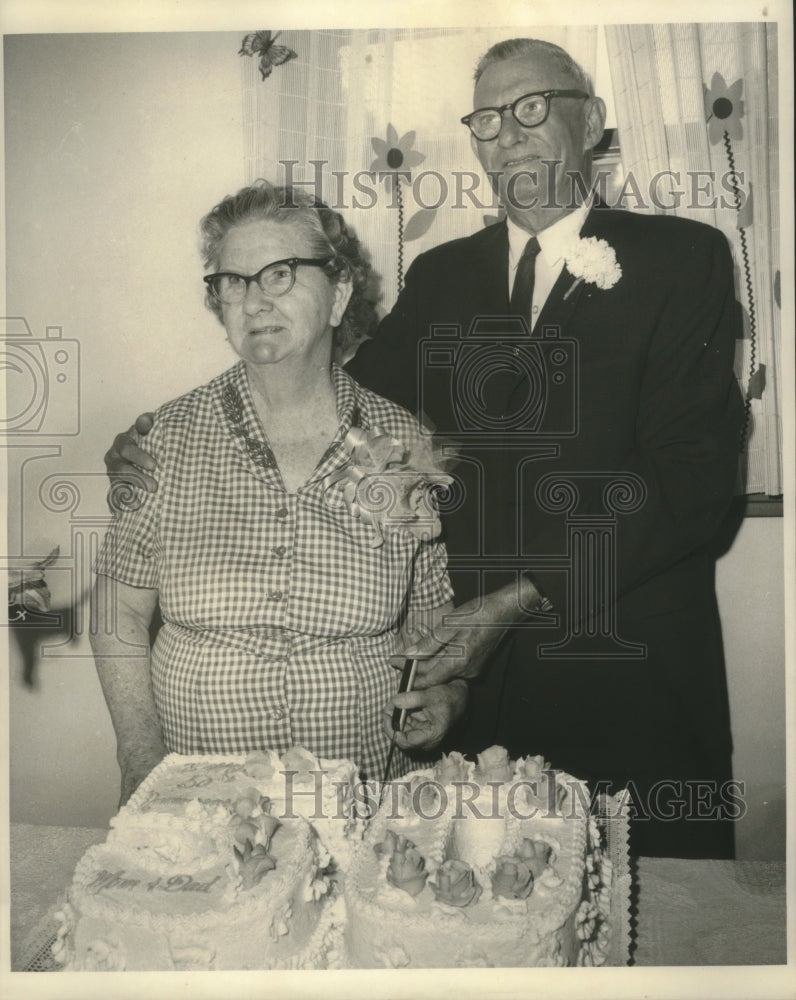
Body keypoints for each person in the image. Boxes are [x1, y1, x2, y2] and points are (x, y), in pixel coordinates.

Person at [105, 39, 744, 857]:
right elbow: (333, 405)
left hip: (627, 673)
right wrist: (150, 438)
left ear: (593, 125)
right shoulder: (443, 274)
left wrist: (516, 599)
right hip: (471, 698)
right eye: (487, 118)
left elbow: (693, 482)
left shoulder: (683, 258)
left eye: (533, 108)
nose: (508, 134)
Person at [91, 181, 461, 806]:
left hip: (362, 794)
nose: (253, 300)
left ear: (339, 294)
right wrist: (139, 757)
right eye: (232, 281)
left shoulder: (402, 443)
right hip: (198, 798)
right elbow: (118, 612)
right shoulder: (166, 439)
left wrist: (447, 694)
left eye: (280, 274)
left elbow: (427, 615)